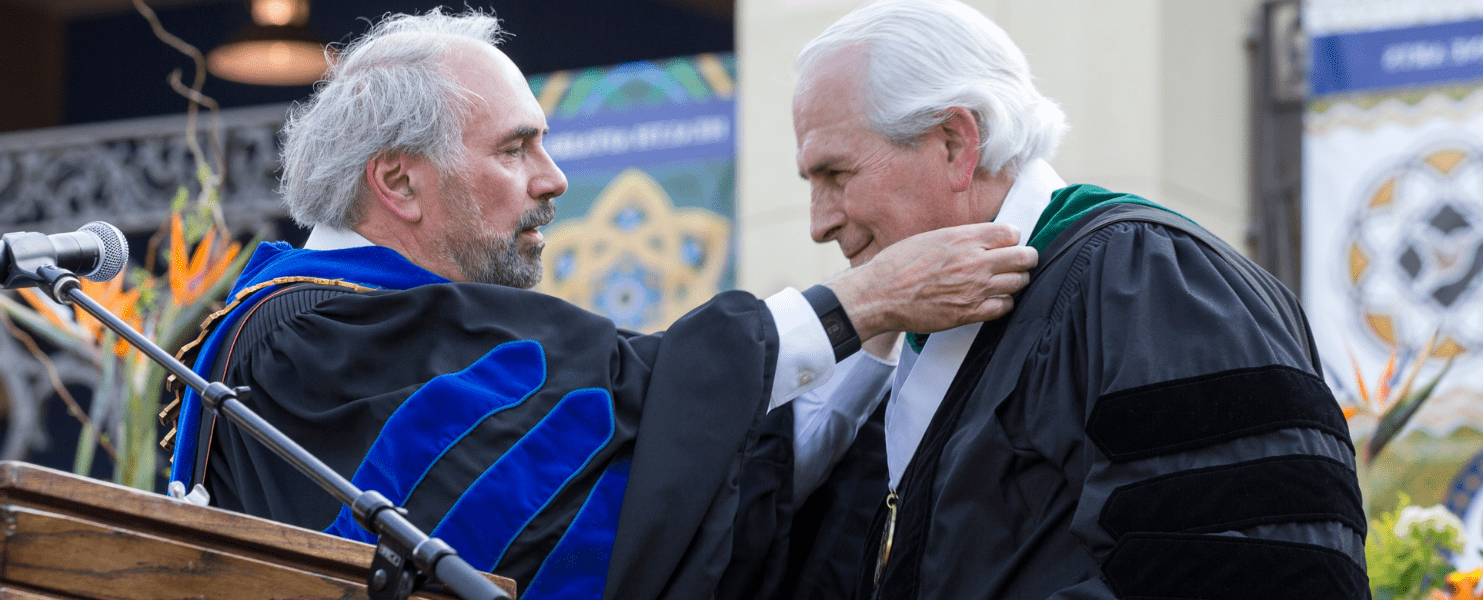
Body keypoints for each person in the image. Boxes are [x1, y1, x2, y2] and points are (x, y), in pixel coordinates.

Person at [162, 8, 1036, 600]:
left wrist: (869, 351)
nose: (555, 179)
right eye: (516, 149)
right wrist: (862, 302)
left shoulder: (391, 335)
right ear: (398, 181)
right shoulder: (316, 342)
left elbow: (656, 478)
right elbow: (639, 418)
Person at [788, 1, 1369, 599]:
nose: (820, 223)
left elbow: (1256, 577)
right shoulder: (932, 333)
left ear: (954, 143)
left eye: (836, 173)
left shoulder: (1150, 282)